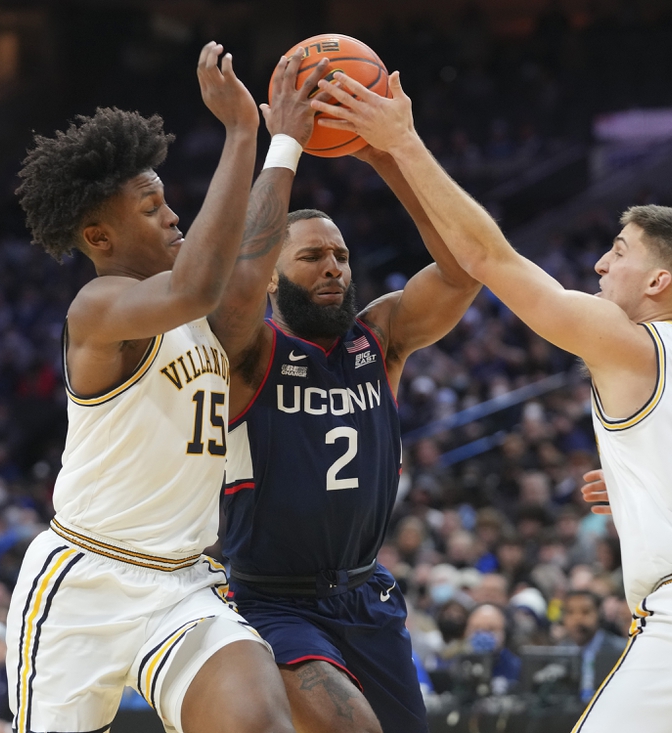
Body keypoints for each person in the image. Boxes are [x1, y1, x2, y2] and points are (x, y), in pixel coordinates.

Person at [313, 71, 672, 731]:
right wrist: (661, 477)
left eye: (618, 252)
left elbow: (489, 257)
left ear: (660, 279)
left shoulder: (632, 340)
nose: (602, 266)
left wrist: (403, 144)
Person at [4, 42, 294, 733]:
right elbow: (197, 281)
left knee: (257, 719)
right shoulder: (98, 309)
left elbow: (240, 268)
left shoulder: (199, 313)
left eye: (169, 201)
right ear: (100, 234)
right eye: (152, 206)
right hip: (85, 583)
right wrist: (241, 132)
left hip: (183, 583)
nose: (173, 216)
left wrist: (285, 146)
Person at [212, 51, 480, 733]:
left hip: (364, 592)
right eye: (311, 257)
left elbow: (463, 268)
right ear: (272, 276)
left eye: (340, 256)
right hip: (270, 600)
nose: (333, 267)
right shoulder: (249, 352)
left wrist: (388, 154)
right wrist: (287, 143)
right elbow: (239, 277)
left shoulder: (378, 338)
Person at [557, 591, 629, 706]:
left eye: (585, 612)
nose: (578, 619)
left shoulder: (621, 649)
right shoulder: (558, 653)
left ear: (599, 614)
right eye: (570, 613)